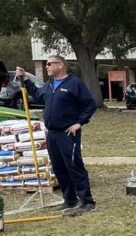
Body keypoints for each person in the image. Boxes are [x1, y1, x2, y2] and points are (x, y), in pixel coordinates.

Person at [16, 57, 97, 214]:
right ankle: (70, 200)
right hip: (52, 134)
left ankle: (87, 201)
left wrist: (79, 122)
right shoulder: (50, 84)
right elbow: (39, 97)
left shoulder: (74, 83)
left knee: (74, 166)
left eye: (49, 64)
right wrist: (26, 79)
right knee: (59, 168)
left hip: (68, 133)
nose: (46, 66)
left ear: (61, 65)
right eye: (46, 64)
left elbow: (90, 104)